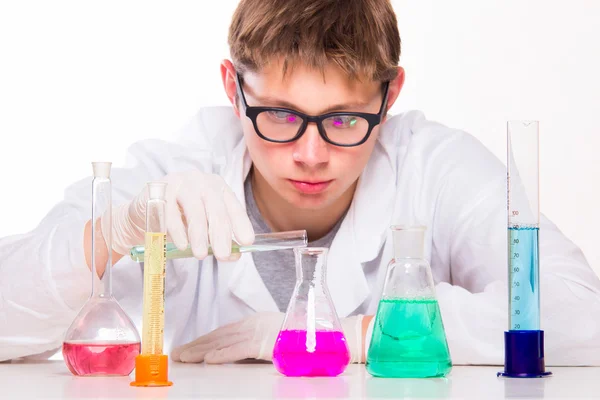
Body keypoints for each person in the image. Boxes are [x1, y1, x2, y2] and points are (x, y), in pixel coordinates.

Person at [1, 0, 599, 366]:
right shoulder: (168, 175)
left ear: (389, 96)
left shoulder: (435, 168)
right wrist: (111, 230)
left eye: (343, 119)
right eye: (281, 115)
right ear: (233, 90)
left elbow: (579, 319)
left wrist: (345, 337)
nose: (310, 155)